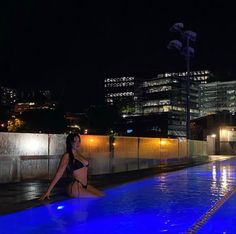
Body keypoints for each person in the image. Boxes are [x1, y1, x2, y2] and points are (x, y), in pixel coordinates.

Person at [39, 133, 104, 200]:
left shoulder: (78, 154)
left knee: (103, 195)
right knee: (98, 199)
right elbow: (59, 173)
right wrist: (48, 191)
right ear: (70, 143)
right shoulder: (67, 156)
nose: (77, 143)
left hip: (84, 185)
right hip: (75, 187)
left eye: (79, 141)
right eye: (74, 141)